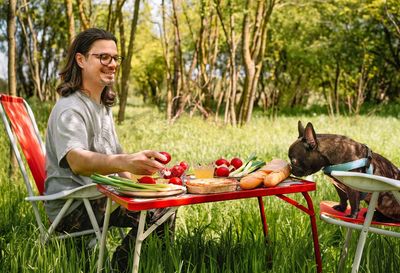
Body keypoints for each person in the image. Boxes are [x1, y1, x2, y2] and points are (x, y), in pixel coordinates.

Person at [44, 28, 175, 272]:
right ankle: (122, 267)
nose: (112, 63)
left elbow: (115, 153)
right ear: (81, 60)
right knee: (160, 209)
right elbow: (77, 162)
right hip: (72, 206)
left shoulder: (101, 104)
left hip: (98, 196)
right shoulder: (70, 109)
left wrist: (143, 185)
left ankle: (133, 264)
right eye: (103, 57)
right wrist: (124, 162)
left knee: (163, 202)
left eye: (115, 58)